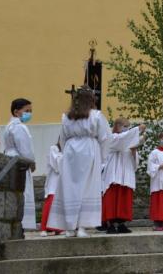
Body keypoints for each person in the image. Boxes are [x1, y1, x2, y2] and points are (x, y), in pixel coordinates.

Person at [47, 87, 110, 237]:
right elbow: (105, 138)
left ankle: (69, 227)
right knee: (87, 188)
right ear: (91, 100)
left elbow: (62, 139)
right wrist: (102, 158)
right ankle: (81, 227)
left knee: (69, 188)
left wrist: (66, 152)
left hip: (70, 153)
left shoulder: (67, 118)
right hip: (89, 151)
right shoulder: (96, 116)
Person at [102, 117, 145, 234]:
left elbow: (134, 163)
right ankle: (110, 224)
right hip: (113, 175)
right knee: (111, 200)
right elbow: (121, 141)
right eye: (124, 126)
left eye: (128, 127)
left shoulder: (128, 140)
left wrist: (134, 152)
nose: (127, 129)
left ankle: (121, 224)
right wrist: (138, 130)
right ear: (117, 126)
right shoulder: (112, 138)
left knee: (123, 200)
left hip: (125, 174)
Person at [3, 98, 36, 231]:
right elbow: (25, 148)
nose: (29, 114)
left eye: (31, 111)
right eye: (26, 111)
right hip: (20, 161)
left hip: (11, 159)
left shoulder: (9, 126)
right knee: (24, 190)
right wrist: (31, 161)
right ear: (16, 112)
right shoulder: (20, 127)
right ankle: (24, 222)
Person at [39, 142, 63, 236]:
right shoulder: (53, 148)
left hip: (63, 182)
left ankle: (58, 228)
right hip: (54, 181)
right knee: (50, 203)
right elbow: (57, 166)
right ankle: (44, 228)